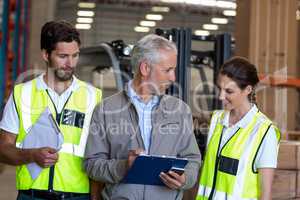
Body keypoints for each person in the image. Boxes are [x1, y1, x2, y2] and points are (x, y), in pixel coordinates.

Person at [84, 34, 201, 200]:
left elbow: (192, 159)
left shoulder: (180, 110)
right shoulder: (105, 110)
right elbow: (92, 164)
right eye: (167, 70)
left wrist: (185, 179)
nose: (173, 78)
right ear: (145, 68)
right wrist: (124, 166)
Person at [0, 20, 102, 200]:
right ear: (46, 55)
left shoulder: (94, 97)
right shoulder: (21, 94)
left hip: (78, 196)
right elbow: (3, 149)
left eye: (75, 55)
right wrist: (31, 155)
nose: (70, 63)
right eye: (63, 56)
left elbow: (101, 154)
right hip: (31, 196)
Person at [196, 57, 281, 200]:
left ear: (248, 89)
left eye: (229, 91)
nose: (221, 97)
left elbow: (266, 194)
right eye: (220, 89)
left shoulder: (265, 131)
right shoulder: (217, 119)